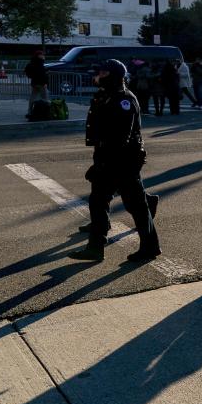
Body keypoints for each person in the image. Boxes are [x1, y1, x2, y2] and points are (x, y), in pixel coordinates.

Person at [68, 59, 160, 262]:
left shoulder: (123, 100)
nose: (97, 76)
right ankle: (95, 247)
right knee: (98, 201)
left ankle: (150, 247)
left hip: (122, 160)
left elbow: (120, 138)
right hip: (108, 157)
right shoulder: (106, 95)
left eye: (101, 72)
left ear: (112, 75)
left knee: (135, 205)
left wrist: (101, 165)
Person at [24, 49, 48, 118]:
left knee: (33, 97)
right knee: (45, 98)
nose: (44, 56)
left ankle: (30, 111)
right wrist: (45, 82)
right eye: (42, 55)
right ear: (39, 56)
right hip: (41, 83)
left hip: (34, 82)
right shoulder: (40, 63)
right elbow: (41, 74)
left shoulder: (32, 62)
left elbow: (27, 71)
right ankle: (45, 112)